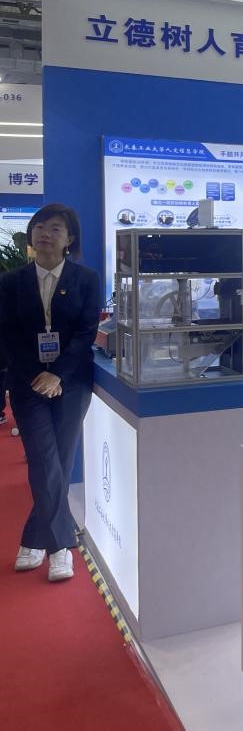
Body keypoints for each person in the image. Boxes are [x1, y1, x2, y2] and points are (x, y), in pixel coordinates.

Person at [0, 204, 100, 582]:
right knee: (44, 458)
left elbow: (86, 332)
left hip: (72, 382)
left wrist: (57, 373)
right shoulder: (11, 282)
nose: (46, 233)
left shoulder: (86, 279)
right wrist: (37, 375)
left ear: (69, 238)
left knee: (59, 458)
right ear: (31, 234)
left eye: (56, 228)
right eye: (40, 227)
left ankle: (34, 538)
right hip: (27, 384)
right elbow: (7, 335)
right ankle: (61, 546)